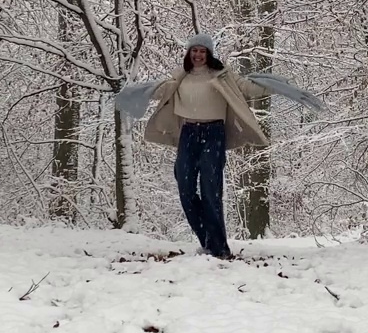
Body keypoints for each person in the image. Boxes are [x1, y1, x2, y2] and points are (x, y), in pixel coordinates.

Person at [115, 34, 322, 261]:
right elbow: (158, 91)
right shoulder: (180, 77)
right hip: (188, 134)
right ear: (189, 53)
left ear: (209, 54)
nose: (198, 55)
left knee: (211, 190)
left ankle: (219, 248)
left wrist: (277, 87)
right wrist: (129, 93)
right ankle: (207, 239)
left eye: (203, 51)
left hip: (214, 133)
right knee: (185, 187)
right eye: (194, 51)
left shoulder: (222, 75)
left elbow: (248, 88)